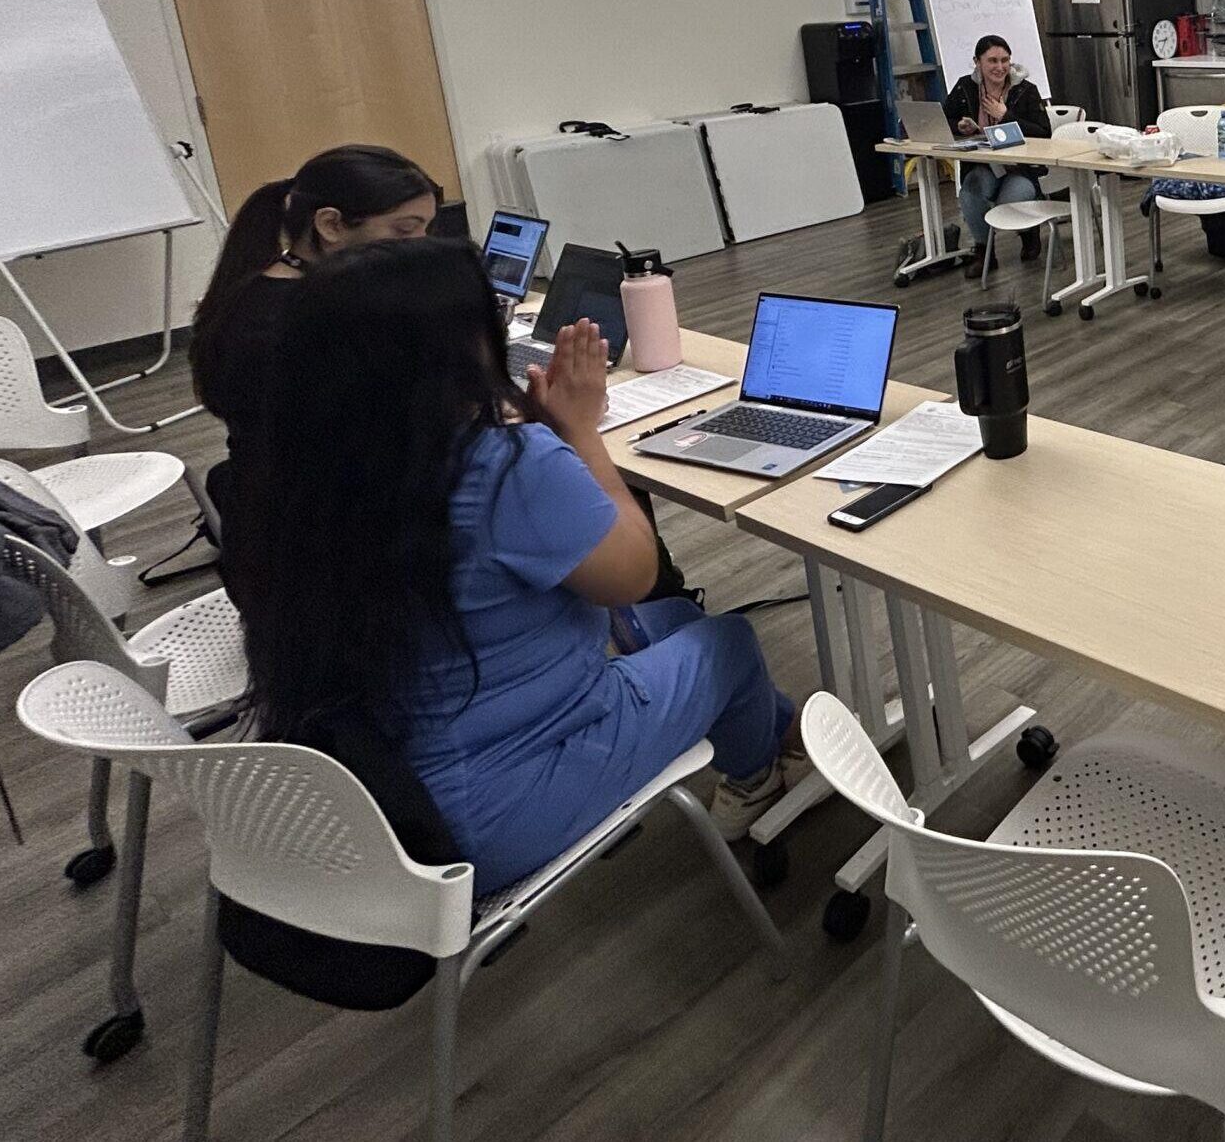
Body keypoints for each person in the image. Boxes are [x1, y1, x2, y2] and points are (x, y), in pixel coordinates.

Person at [225, 241, 797, 894]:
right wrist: (579, 432)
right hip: (493, 809)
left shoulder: (312, 463)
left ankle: (780, 732)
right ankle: (758, 780)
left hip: (384, 784)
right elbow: (635, 570)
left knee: (665, 620)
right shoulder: (502, 465)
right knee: (727, 644)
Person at [189, 146, 443, 526]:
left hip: (282, 503)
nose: (422, 245)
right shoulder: (290, 323)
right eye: (404, 230)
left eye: (425, 229)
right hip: (313, 527)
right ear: (330, 225)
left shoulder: (275, 287)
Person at [942, 35, 1055, 280]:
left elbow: (1043, 132)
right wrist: (959, 125)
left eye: (1005, 60)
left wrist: (1006, 116)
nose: (1000, 67)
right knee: (969, 194)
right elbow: (945, 118)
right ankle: (984, 253)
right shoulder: (965, 87)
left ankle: (1028, 231)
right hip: (985, 165)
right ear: (977, 62)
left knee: (1008, 203)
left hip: (1019, 167)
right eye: (992, 60)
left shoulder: (1025, 90)